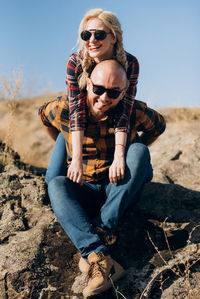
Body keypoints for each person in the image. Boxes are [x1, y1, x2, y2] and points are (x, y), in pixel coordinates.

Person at [39, 59, 166, 297]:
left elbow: (159, 126)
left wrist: (131, 147)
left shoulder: (132, 112)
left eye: (114, 92)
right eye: (98, 89)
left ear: (123, 93)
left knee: (139, 152)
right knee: (56, 184)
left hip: (117, 189)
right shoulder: (65, 108)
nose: (105, 97)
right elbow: (44, 117)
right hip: (83, 187)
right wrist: (64, 141)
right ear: (88, 84)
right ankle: (99, 256)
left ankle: (103, 228)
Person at [65, 8, 139, 186]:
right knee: (53, 177)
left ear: (114, 37)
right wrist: (76, 159)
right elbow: (76, 112)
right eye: (86, 35)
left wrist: (119, 156)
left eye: (99, 35)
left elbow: (124, 112)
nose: (91, 40)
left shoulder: (130, 65)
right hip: (78, 126)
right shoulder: (75, 62)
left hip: (110, 123)